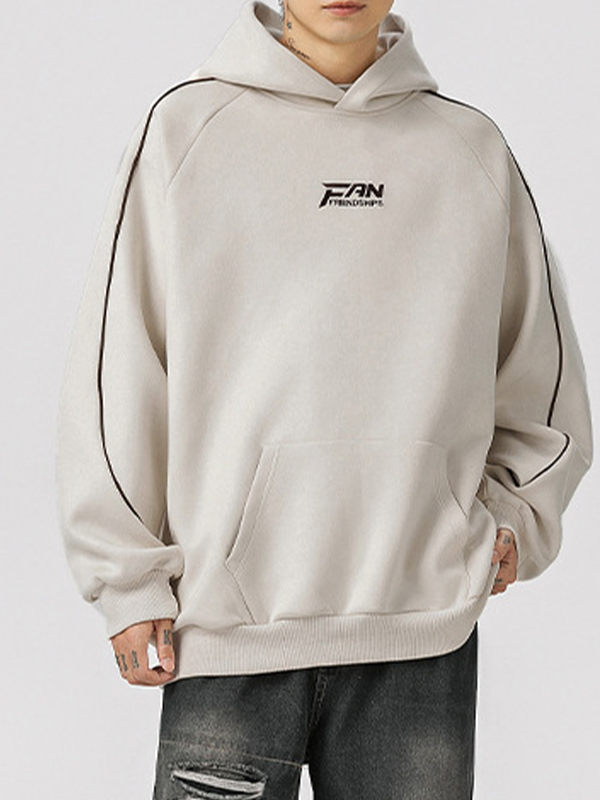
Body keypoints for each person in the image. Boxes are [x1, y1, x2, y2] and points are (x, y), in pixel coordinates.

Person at [55, 1, 593, 797]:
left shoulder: (468, 148)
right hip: (228, 631)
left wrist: (519, 510)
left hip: (421, 628)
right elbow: (120, 367)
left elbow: (538, 365)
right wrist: (126, 579)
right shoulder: (187, 131)